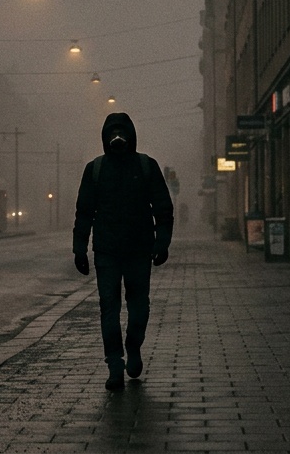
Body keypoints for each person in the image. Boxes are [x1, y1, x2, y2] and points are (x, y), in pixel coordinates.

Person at [71, 111, 174, 390]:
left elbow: (163, 209)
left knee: (139, 308)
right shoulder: (96, 169)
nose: (118, 138)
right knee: (109, 309)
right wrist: (79, 249)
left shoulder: (145, 166)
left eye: (121, 132)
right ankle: (115, 363)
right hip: (107, 252)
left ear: (131, 136)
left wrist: (161, 243)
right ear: (105, 138)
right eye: (113, 133)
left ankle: (133, 346)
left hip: (139, 250)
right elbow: (84, 212)